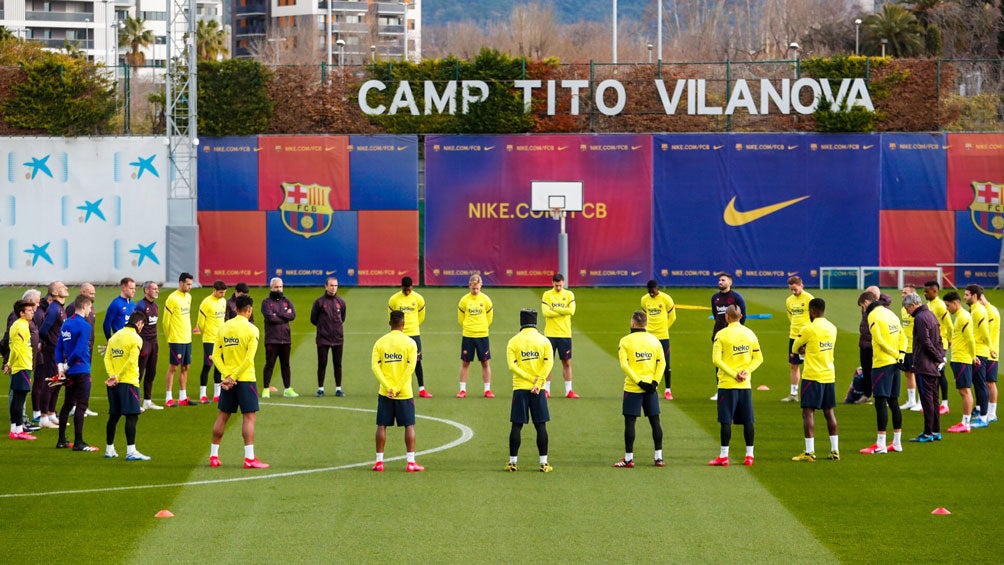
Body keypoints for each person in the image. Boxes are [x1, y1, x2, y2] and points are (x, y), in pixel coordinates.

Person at [209, 295, 268, 469]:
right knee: (249, 417)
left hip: (227, 380)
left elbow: (215, 356)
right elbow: (249, 359)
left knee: (222, 415)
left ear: (235, 309)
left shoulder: (223, 328)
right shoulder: (252, 330)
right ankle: (249, 458)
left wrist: (227, 375)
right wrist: (234, 376)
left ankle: (213, 456)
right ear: (249, 310)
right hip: (245, 379)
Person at [500, 309, 554, 473]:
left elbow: (512, 366)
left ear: (521, 322)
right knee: (541, 425)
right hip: (538, 389)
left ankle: (513, 462)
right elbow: (549, 363)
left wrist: (529, 379)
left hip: (520, 388)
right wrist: (539, 381)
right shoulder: (544, 340)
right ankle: (543, 463)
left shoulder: (513, 341)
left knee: (516, 425)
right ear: (535, 322)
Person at [371, 310, 423, 473]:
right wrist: (399, 386)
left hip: (385, 392)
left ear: (389, 323)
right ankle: (410, 462)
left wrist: (388, 387)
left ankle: (379, 462)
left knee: (382, 425)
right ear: (404, 323)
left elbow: (375, 367)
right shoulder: (410, 343)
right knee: (409, 425)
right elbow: (411, 367)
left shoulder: (380, 342)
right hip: (404, 392)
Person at [710, 305, 761, 467]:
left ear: (726, 317)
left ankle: (724, 456)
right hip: (745, 385)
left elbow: (716, 360)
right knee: (748, 421)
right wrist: (746, 372)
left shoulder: (721, 334)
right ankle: (749, 456)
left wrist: (733, 374)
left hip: (727, 384)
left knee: (726, 420)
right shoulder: (750, 333)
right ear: (741, 316)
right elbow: (759, 358)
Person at [614, 310, 666, 468]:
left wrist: (639, 381)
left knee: (630, 422)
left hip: (633, 388)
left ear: (633, 323)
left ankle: (629, 459)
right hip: (651, 388)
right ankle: (659, 458)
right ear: (646, 324)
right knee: (655, 421)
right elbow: (662, 363)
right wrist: (655, 382)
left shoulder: (625, 341)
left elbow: (625, 365)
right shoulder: (654, 340)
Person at [790, 298, 839, 461]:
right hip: (829, 375)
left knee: (808, 412)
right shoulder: (832, 328)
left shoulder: (808, 329)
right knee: (829, 412)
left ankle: (810, 452)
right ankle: (835, 450)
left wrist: (804, 349)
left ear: (811, 311)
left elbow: (795, 347)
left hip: (812, 376)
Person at [858, 291, 906, 454]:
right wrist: (900, 355)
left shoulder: (873, 316)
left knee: (880, 402)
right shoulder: (890, 313)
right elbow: (903, 337)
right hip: (895, 363)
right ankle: (897, 443)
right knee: (894, 402)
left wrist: (893, 354)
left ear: (866, 303)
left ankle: (880, 445)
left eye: (862, 307)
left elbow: (878, 339)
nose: (863, 311)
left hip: (882, 363)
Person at [103, 310, 150, 460]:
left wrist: (112, 375)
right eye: (142, 325)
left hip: (113, 383)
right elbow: (131, 360)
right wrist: (119, 376)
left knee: (114, 416)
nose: (142, 327)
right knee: (132, 416)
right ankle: (131, 451)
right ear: (138, 323)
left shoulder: (115, 336)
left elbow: (107, 358)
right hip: (128, 382)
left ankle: (109, 449)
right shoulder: (136, 338)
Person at [54, 294, 97, 452]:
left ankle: (61, 440)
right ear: (84, 306)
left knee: (67, 403)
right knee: (81, 405)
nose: (90, 310)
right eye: (90, 307)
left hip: (70, 371)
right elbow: (79, 351)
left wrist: (61, 366)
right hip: (81, 370)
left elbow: (59, 347)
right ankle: (78, 441)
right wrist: (66, 366)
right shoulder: (85, 326)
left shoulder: (66, 324)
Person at [904, 292, 945, 443]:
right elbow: (939, 340)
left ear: (913, 305)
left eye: (907, 308)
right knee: (934, 400)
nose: (907, 312)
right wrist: (939, 357)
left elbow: (925, 341)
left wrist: (937, 358)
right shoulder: (931, 315)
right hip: (932, 366)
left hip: (924, 365)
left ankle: (928, 433)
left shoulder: (920, 318)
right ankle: (936, 431)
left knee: (927, 401)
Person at [1, 289, 42, 433]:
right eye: (29, 310)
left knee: (19, 398)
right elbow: (16, 349)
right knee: (19, 399)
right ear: (21, 313)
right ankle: (17, 430)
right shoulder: (19, 326)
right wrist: (9, 364)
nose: (32, 312)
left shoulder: (23, 324)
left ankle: (16, 429)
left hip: (23, 364)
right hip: (21, 366)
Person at [388, 277, 428, 398]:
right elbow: (391, 317)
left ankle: (422, 389)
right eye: (405, 290)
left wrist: (413, 326)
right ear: (401, 287)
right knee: (398, 360)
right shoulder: (394, 299)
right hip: (399, 334)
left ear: (412, 286)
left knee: (417, 361)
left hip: (414, 334)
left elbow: (421, 316)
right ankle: (395, 388)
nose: (406, 292)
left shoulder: (418, 299)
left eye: (408, 289)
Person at [457, 274, 494, 398]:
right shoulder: (464, 300)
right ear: (469, 286)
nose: (475, 291)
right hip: (468, 335)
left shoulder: (486, 300)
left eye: (477, 288)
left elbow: (490, 318)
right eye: (473, 288)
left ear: (481, 286)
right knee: (465, 362)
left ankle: (487, 390)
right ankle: (462, 390)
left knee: (485, 362)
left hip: (482, 335)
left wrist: (482, 327)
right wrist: (469, 327)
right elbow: (460, 319)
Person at [710, 273, 746, 401]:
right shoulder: (715, 298)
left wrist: (736, 332)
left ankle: (738, 386)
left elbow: (743, 316)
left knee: (735, 360)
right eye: (719, 280)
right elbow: (715, 315)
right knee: (718, 362)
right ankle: (720, 389)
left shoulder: (736, 297)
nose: (720, 282)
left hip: (734, 336)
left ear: (729, 283)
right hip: (718, 335)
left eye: (723, 280)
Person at [37, 281, 69, 428]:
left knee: (58, 382)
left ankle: (51, 413)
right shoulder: (54, 309)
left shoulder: (60, 308)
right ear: (55, 293)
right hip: (53, 351)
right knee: (51, 382)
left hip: (60, 351)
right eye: (63, 287)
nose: (66, 288)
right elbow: (43, 330)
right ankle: (44, 417)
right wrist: (50, 344)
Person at [945, 291, 977, 433]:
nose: (947, 309)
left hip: (962, 359)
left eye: (948, 305)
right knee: (963, 390)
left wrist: (973, 356)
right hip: (959, 358)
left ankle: (966, 423)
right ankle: (965, 422)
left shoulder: (963, 317)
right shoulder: (960, 316)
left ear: (955, 303)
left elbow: (970, 339)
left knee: (965, 391)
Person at [542, 273, 578, 399]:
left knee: (567, 362)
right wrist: (563, 311)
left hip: (565, 334)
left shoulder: (569, 294)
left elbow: (571, 311)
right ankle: (546, 390)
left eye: (560, 285)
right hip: (550, 334)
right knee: (548, 363)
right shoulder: (547, 295)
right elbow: (545, 312)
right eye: (556, 285)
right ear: (552, 283)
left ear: (563, 283)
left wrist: (554, 311)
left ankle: (569, 390)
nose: (558, 288)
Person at [162, 272, 195, 407]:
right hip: (176, 338)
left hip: (187, 338)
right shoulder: (172, 298)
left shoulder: (188, 297)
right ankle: (168, 397)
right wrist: (169, 338)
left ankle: (182, 397)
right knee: (173, 367)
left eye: (191, 284)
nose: (189, 287)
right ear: (181, 283)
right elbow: (165, 321)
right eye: (187, 284)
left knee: (186, 367)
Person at [262, 277, 297, 398]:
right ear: (271, 287)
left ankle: (287, 389)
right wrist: (284, 315)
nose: (279, 289)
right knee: (270, 364)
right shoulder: (266, 302)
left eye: (280, 287)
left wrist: (278, 314)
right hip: (272, 339)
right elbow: (270, 318)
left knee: (285, 364)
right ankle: (266, 389)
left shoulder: (286, 301)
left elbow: (293, 315)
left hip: (286, 339)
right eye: (276, 287)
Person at [312, 277, 347, 397]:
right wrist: (323, 328)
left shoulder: (341, 302)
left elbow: (342, 318)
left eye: (335, 285)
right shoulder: (319, 302)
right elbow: (313, 319)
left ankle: (338, 388)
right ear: (326, 286)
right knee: (322, 364)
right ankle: (320, 389)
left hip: (338, 338)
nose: (333, 288)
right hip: (323, 338)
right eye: (331, 285)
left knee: (338, 364)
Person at [641, 279, 676, 400]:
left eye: (653, 291)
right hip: (649, 336)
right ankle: (652, 387)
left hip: (663, 336)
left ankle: (668, 390)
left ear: (657, 289)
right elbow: (644, 315)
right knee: (649, 362)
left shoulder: (666, 299)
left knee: (665, 363)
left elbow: (672, 317)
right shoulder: (644, 299)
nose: (651, 294)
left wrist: (664, 328)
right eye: (649, 291)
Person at [782, 276, 814, 403]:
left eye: (795, 289)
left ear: (802, 285)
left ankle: (811, 393)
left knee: (810, 365)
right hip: (794, 336)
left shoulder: (809, 299)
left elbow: (814, 317)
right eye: (791, 290)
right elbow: (790, 315)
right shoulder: (789, 300)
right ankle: (794, 394)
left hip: (807, 337)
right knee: (793, 365)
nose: (793, 292)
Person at [923, 280, 952, 415]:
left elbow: (950, 325)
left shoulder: (940, 305)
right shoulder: (929, 304)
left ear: (935, 291)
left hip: (940, 345)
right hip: (932, 344)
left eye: (927, 291)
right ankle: (935, 402)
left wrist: (949, 341)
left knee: (940, 373)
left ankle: (945, 404)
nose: (924, 293)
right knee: (932, 373)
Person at [196, 280, 227, 403]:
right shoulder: (206, 303)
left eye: (224, 292)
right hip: (209, 339)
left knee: (219, 367)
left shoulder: (223, 301)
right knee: (207, 365)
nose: (223, 295)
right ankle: (203, 394)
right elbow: (200, 323)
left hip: (221, 339)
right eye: (220, 292)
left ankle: (217, 394)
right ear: (214, 290)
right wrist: (208, 333)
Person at [964, 285, 991, 428]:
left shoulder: (978, 311)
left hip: (980, 352)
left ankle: (984, 418)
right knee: (978, 383)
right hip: (977, 351)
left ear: (974, 296)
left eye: (967, 295)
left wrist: (991, 348)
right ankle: (981, 412)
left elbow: (985, 333)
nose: (964, 297)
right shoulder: (975, 310)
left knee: (981, 384)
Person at [135, 281, 162, 411]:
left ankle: (147, 401)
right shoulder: (140, 306)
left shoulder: (155, 306)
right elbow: (136, 326)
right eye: (154, 289)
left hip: (154, 342)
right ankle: (134, 401)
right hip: (144, 342)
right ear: (146, 291)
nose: (157, 291)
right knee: (139, 373)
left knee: (152, 372)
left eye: (157, 289)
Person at [897, 285, 922, 412]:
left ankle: (920, 401)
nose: (902, 294)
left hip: (916, 347)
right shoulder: (903, 309)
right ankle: (911, 400)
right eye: (902, 292)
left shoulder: (917, 310)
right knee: (908, 373)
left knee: (919, 374)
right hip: (906, 347)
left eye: (905, 292)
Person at [979, 293, 999, 423]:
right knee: (984, 382)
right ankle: (985, 411)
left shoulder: (991, 311)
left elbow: (986, 333)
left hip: (991, 353)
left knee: (990, 383)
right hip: (986, 351)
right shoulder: (985, 310)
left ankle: (992, 413)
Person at [102, 277, 137, 341]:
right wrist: (109, 339)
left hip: (132, 340)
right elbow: (107, 324)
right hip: (120, 341)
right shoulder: (116, 304)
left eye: (134, 288)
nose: (134, 291)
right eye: (131, 288)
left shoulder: (133, 304)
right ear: (123, 287)